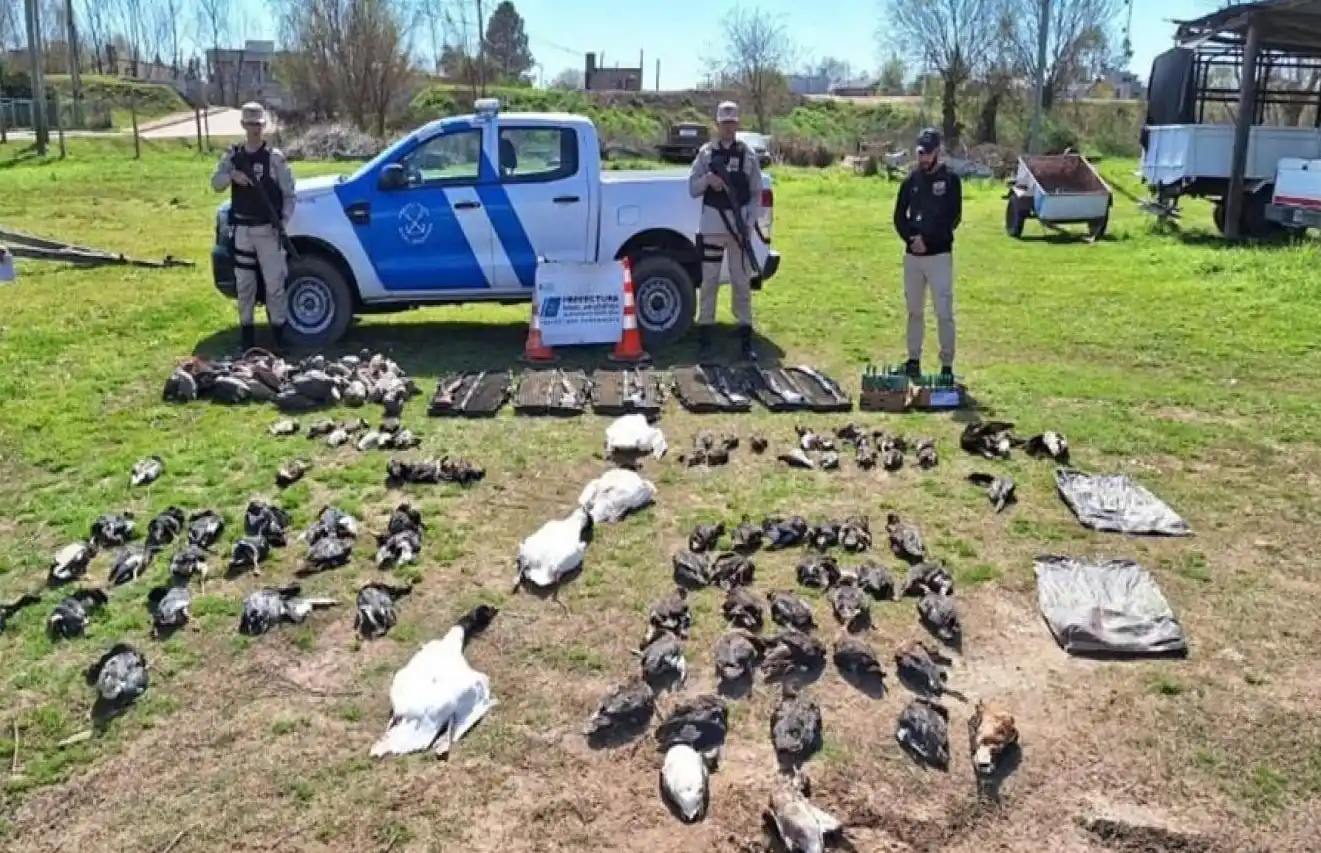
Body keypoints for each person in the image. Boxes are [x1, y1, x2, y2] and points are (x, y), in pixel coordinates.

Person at [211, 102, 296, 353]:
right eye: (250, 124)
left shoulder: (274, 159)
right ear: (243, 125)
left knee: (274, 285)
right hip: (242, 232)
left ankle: (279, 338)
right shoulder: (233, 155)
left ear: (264, 126)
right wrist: (232, 176)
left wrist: (282, 221)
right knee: (245, 286)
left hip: (267, 231)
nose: (255, 129)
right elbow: (215, 183)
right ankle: (247, 339)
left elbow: (290, 195)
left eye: (258, 124)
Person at [687, 100, 763, 361]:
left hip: (739, 229)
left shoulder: (747, 155)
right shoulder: (706, 154)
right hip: (712, 226)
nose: (729, 128)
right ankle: (705, 337)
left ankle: (745, 338)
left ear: (737, 124)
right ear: (717, 124)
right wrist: (709, 180)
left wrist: (749, 222)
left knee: (741, 282)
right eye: (724, 123)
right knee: (709, 282)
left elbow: (756, 193)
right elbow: (692, 188)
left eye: (732, 123)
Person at [893, 127, 962, 380]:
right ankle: (913, 360)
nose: (923, 158)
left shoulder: (952, 181)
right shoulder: (910, 181)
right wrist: (912, 239)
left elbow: (952, 217)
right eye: (920, 152)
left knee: (943, 311)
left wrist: (927, 239)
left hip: (939, 256)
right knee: (914, 311)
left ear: (938, 152)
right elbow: (899, 216)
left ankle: (946, 365)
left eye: (928, 153)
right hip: (913, 257)